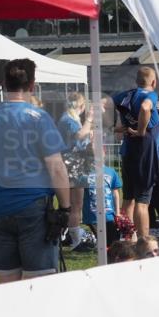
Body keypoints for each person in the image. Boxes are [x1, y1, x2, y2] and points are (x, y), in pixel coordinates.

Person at [0, 58, 71, 282]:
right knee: (39, 281)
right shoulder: (40, 118)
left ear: (4, 83)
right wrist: (65, 206)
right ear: (32, 85)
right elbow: (56, 167)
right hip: (33, 205)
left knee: (8, 282)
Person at [112, 67, 159, 239]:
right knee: (142, 202)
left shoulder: (124, 95)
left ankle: (127, 240)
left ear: (136, 81)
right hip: (145, 155)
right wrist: (140, 131)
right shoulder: (151, 96)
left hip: (128, 153)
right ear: (154, 82)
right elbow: (145, 108)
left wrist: (115, 127)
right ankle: (143, 241)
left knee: (128, 199)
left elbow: (105, 103)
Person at [57, 92, 95, 250]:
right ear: (81, 106)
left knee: (72, 204)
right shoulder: (69, 120)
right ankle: (75, 238)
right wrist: (90, 120)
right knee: (76, 204)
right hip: (73, 164)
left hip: (73, 162)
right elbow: (79, 135)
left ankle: (69, 235)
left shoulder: (68, 119)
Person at [82, 164, 123, 250]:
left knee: (113, 241)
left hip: (109, 215)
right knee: (105, 242)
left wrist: (118, 213)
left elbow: (115, 193)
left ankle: (105, 251)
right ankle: (102, 248)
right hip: (92, 215)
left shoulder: (110, 171)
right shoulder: (83, 172)